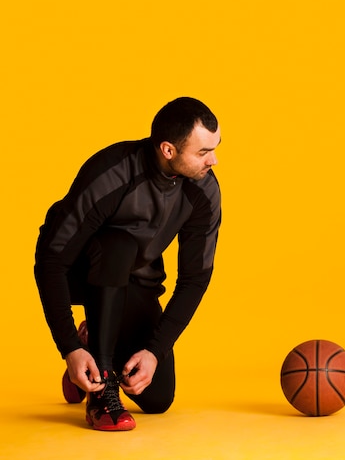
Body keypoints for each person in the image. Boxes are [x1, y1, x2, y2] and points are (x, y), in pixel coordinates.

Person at [34, 97, 221, 431]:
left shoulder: (203, 191)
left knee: (158, 398)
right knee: (118, 245)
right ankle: (100, 384)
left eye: (215, 147)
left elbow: (194, 279)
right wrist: (68, 347)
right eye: (203, 152)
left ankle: (96, 339)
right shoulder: (113, 171)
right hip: (80, 272)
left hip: (131, 282)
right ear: (168, 150)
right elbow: (52, 260)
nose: (214, 160)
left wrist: (154, 351)